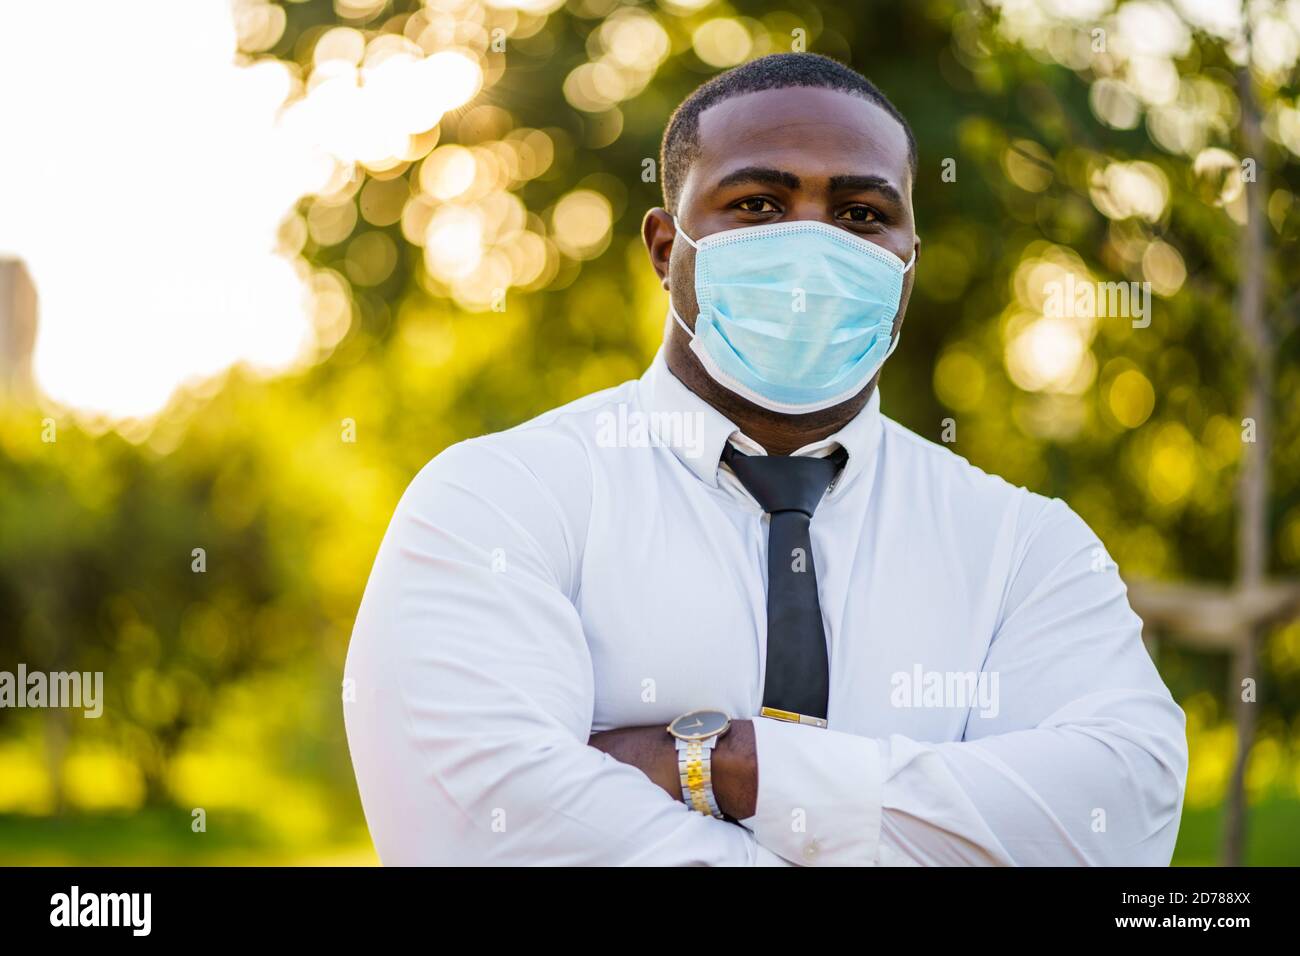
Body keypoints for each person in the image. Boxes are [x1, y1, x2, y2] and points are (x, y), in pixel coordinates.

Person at [342, 52, 1188, 866]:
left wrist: (731, 766)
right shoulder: (499, 502)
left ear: (906, 265)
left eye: (861, 214)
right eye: (756, 205)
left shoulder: (1024, 548)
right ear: (667, 249)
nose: (811, 248)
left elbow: (1116, 816)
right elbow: (489, 833)